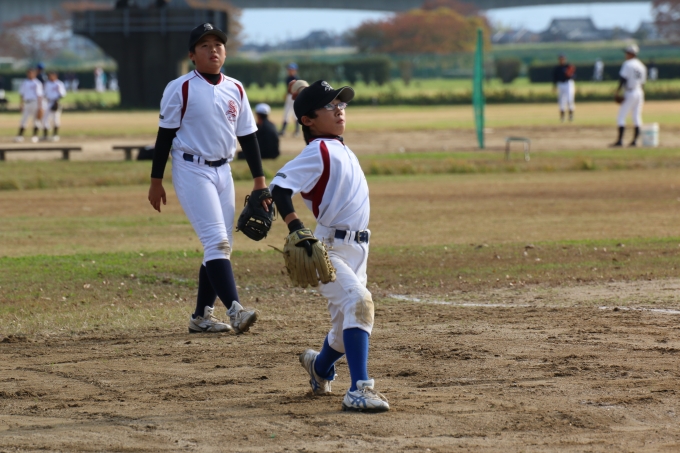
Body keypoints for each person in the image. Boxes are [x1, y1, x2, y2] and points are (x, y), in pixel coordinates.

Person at [270, 80, 390, 413]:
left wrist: (311, 101)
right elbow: (279, 188)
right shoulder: (318, 150)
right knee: (359, 303)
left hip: (358, 250)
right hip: (329, 249)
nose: (339, 110)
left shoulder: (339, 148)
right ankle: (359, 389)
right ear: (308, 120)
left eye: (341, 104)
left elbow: (314, 123)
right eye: (330, 106)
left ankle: (320, 367)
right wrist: (296, 227)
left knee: (342, 329)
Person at [148, 22, 270, 334]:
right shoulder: (181, 87)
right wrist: (156, 180)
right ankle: (235, 311)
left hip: (223, 170)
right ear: (192, 55)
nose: (213, 50)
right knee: (216, 241)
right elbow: (164, 136)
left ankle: (201, 317)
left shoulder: (236, 88)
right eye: (205, 45)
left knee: (220, 247)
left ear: (225, 52)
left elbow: (248, 136)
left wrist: (259, 181)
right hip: (191, 169)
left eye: (218, 44)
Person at [611, 44, 647, 147]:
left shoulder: (627, 64)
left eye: (626, 53)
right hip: (639, 92)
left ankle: (620, 141)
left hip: (630, 92)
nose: (625, 55)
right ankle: (635, 141)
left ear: (631, 54)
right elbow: (643, 83)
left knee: (621, 116)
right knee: (636, 116)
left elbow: (623, 79)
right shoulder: (641, 65)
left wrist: (617, 91)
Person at [14, 68, 44, 143]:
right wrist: (21, 104)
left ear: (34, 74)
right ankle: (20, 136)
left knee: (36, 120)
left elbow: (40, 95)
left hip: (35, 102)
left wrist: (40, 107)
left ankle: (35, 136)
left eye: (31, 73)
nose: (30, 74)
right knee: (24, 119)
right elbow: (22, 94)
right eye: (29, 73)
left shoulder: (37, 83)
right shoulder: (24, 82)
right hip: (27, 102)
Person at [43, 71, 67, 142]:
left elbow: (62, 94)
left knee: (56, 119)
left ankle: (55, 135)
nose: (51, 77)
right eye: (50, 75)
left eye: (52, 75)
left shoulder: (59, 83)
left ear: (56, 76)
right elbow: (44, 93)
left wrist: (56, 101)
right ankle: (45, 136)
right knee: (45, 119)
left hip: (56, 102)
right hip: (47, 102)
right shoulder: (47, 83)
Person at [553, 54, 575, 122]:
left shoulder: (568, 66)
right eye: (560, 59)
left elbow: (574, 75)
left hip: (568, 84)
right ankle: (562, 117)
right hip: (560, 84)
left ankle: (570, 116)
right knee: (561, 101)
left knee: (569, 99)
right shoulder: (557, 68)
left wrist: (570, 75)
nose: (561, 60)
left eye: (563, 59)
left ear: (565, 59)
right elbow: (555, 78)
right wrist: (554, 86)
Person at [279, 63, 300, 137]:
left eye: (292, 69)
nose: (290, 71)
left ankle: (297, 131)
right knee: (286, 113)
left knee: (295, 114)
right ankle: (283, 130)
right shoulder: (288, 78)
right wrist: (286, 94)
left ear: (295, 70)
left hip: (294, 97)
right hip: (289, 97)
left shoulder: (296, 79)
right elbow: (288, 89)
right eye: (289, 69)